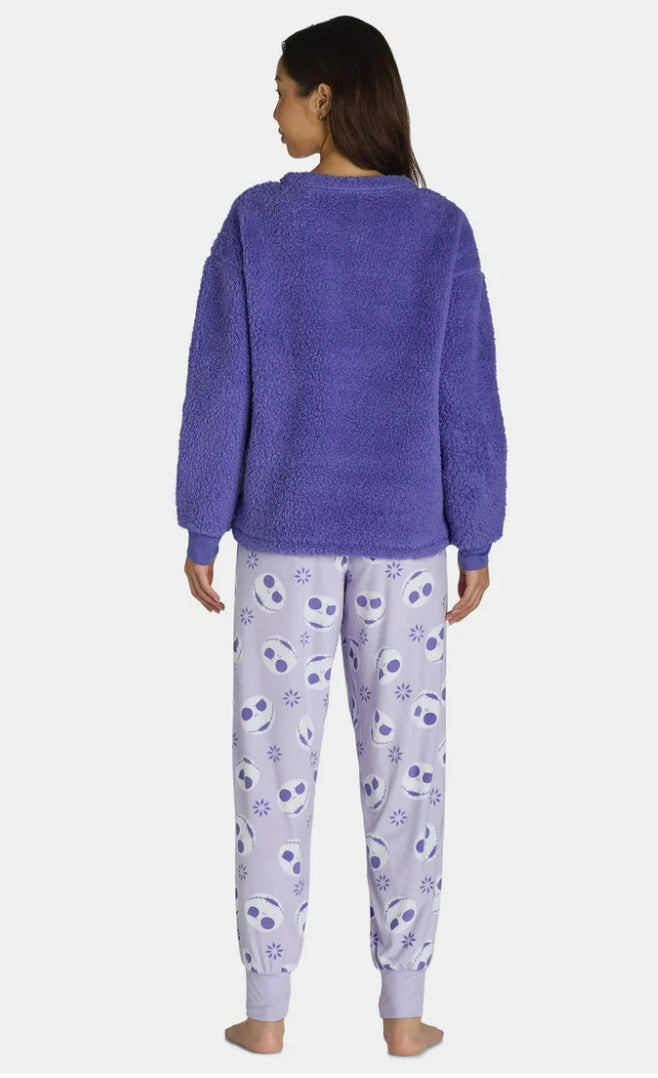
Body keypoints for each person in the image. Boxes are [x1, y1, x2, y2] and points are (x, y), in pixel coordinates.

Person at [175, 14, 507, 1058]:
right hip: (408, 547)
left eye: (281, 90)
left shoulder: (258, 223)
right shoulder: (440, 229)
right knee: (408, 777)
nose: (272, 111)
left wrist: (202, 518)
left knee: (271, 776)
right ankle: (403, 1016)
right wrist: (476, 535)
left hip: (284, 542)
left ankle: (267, 1014)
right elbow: (468, 398)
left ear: (325, 96)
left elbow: (219, 386)